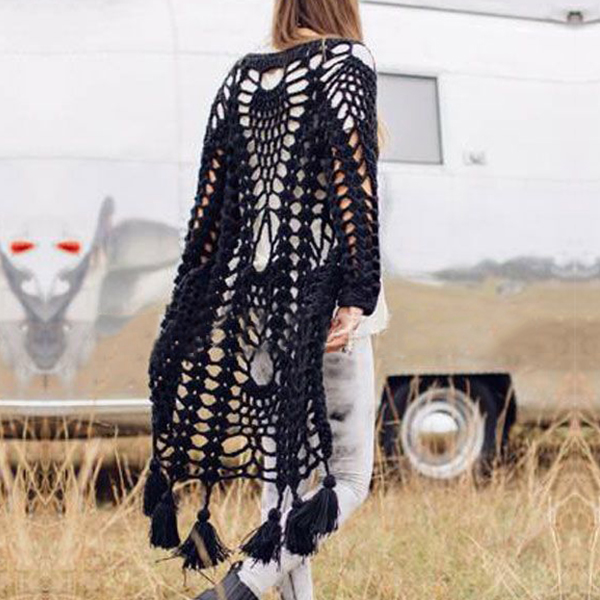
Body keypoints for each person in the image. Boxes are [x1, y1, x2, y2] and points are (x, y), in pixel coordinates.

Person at [142, 1, 389, 599]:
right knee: (348, 478)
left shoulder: (242, 79)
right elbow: (354, 185)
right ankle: (235, 591)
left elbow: (209, 206)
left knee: (283, 490)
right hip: (325, 306)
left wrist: (192, 308)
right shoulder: (346, 62)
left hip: (259, 311)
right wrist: (357, 293)